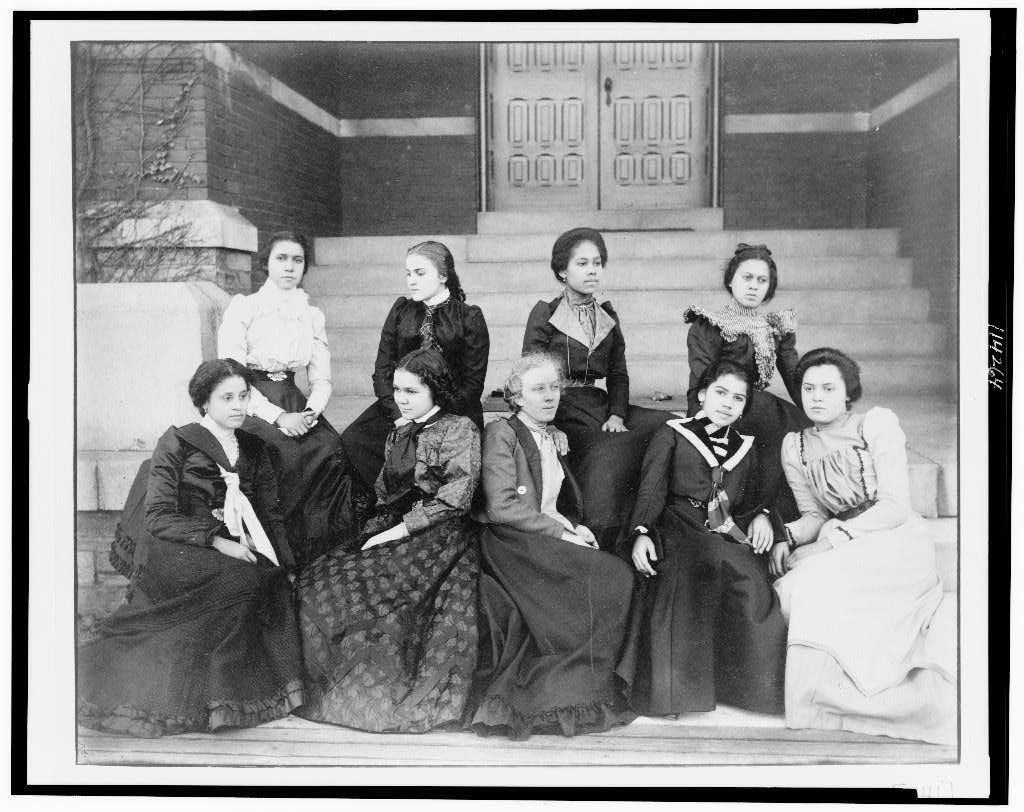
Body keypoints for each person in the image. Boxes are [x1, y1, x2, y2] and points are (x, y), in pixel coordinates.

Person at [78, 359, 303, 737]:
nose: (237, 405)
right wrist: (217, 540)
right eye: (226, 397)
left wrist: (285, 562)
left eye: (243, 396)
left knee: (270, 579)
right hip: (178, 545)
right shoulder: (179, 441)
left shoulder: (254, 447)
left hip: (233, 539)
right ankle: (191, 685)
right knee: (238, 581)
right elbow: (160, 517)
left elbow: (269, 513)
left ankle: (226, 690)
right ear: (204, 402)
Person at [771, 348, 956, 745]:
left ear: (847, 393)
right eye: (808, 388)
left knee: (820, 579)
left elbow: (893, 506)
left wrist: (831, 542)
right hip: (842, 539)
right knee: (795, 586)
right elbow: (814, 516)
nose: (816, 397)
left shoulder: (876, 424)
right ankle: (819, 703)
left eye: (827, 388)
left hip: (894, 537)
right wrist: (783, 535)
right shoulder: (795, 446)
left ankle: (868, 695)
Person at [294, 349, 481, 733]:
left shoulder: (459, 429)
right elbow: (384, 488)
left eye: (411, 391)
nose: (401, 398)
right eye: (397, 389)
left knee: (383, 595)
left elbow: (456, 496)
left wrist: (398, 530)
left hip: (438, 533)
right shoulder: (398, 429)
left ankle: (379, 692)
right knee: (322, 579)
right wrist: (375, 528)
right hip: (394, 524)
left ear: (436, 390)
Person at [471, 352, 638, 740]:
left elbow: (553, 501)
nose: (549, 396)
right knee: (612, 577)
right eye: (537, 389)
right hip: (510, 542)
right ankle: (571, 685)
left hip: (541, 533)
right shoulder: (502, 433)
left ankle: (592, 677)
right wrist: (562, 534)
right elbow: (502, 506)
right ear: (516, 397)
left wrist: (575, 527)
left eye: (553, 387)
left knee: (614, 573)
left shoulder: (550, 433)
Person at [619, 359, 787, 716]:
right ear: (701, 394)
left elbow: (754, 496)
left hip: (723, 528)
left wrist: (761, 516)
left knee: (752, 577)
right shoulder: (674, 433)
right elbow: (651, 489)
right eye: (720, 393)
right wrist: (641, 533)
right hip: (678, 523)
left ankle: (752, 691)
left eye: (738, 399)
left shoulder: (747, 446)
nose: (728, 403)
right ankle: (676, 693)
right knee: (696, 566)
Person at [522, 227, 667, 548]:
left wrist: (616, 414)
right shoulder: (545, 313)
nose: (592, 270)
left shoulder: (607, 314)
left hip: (598, 403)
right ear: (562, 270)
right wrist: (549, 427)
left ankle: (647, 515)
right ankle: (603, 532)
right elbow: (531, 376)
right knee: (607, 452)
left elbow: (618, 373)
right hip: (560, 406)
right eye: (583, 263)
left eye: (597, 263)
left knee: (666, 424)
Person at [218, 230, 352, 568]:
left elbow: (321, 378)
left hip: (295, 400)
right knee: (286, 454)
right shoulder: (245, 308)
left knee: (331, 447)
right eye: (281, 258)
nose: (289, 267)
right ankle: (282, 557)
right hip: (250, 401)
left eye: (297, 260)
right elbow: (232, 376)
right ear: (266, 263)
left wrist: (310, 412)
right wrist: (277, 418)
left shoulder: (311, 315)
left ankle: (320, 554)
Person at [340, 240, 490, 504]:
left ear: (443, 276)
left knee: (436, 449)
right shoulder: (401, 311)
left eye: (420, 273)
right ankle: (390, 503)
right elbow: (383, 369)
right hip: (403, 405)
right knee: (355, 439)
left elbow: (473, 382)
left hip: (452, 408)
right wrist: (399, 414)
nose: (412, 281)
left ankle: (426, 506)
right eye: (408, 273)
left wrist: (434, 416)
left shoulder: (468, 317)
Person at [683, 242, 812, 520]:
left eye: (762, 280)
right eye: (747, 277)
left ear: (769, 287)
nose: (753, 286)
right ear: (731, 280)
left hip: (761, 410)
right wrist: (700, 425)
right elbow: (701, 383)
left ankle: (777, 518)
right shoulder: (711, 325)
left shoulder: (775, 328)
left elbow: (795, 378)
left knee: (800, 429)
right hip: (724, 409)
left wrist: (817, 411)